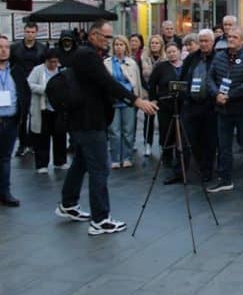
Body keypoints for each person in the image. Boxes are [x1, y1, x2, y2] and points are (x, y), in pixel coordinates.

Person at [55, 20, 157, 234]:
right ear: (93, 35)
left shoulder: (88, 55)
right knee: (100, 168)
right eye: (106, 37)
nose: (109, 41)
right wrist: (136, 100)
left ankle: (68, 204)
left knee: (81, 163)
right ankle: (100, 219)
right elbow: (108, 83)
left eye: (111, 37)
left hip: (84, 121)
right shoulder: (88, 55)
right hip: (89, 121)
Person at [206, 26, 243, 194]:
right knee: (224, 147)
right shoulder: (219, 56)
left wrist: (230, 95)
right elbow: (210, 78)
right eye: (229, 36)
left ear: (242, 41)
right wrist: (217, 94)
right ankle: (225, 179)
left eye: (235, 37)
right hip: (223, 110)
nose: (231, 39)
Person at [178, 28, 217, 183]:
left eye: (206, 41)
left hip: (210, 106)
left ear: (212, 42)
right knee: (188, 139)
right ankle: (181, 171)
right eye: (201, 41)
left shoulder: (218, 58)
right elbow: (183, 78)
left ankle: (207, 171)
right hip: (192, 104)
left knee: (209, 141)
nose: (203, 44)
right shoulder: (191, 58)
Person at [0, 35, 31, 207]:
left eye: (6, 47)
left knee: (5, 158)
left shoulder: (15, 71)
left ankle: (5, 192)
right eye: (0, 47)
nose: (3, 50)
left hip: (11, 120)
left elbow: (23, 92)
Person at [104, 35, 142, 169]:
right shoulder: (107, 62)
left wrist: (138, 99)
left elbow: (137, 83)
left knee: (128, 130)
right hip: (112, 101)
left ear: (126, 47)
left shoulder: (131, 63)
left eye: (121, 44)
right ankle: (115, 158)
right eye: (116, 44)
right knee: (114, 131)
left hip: (128, 101)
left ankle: (127, 157)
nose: (118, 47)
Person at [147, 42, 185, 175]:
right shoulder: (161, 67)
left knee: (181, 131)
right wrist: (153, 99)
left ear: (179, 52)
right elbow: (152, 84)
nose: (172, 54)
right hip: (165, 104)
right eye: (169, 52)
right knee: (166, 131)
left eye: (174, 51)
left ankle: (180, 158)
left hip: (182, 104)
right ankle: (167, 158)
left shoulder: (185, 66)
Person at [10, 22, 46, 157]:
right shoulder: (15, 48)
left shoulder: (42, 48)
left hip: (35, 85)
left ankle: (33, 143)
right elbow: (11, 65)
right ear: (24, 32)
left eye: (32, 32)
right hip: (20, 85)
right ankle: (22, 144)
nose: (30, 34)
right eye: (28, 31)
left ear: (36, 33)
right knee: (22, 115)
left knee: (35, 115)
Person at [28, 49, 66, 173]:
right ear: (46, 61)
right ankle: (42, 164)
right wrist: (45, 89)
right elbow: (30, 84)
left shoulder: (61, 70)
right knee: (42, 137)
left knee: (60, 135)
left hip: (58, 108)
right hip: (43, 108)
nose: (54, 64)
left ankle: (60, 161)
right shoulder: (38, 70)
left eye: (56, 62)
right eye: (51, 62)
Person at [140, 34, 166, 157]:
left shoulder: (165, 59)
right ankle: (148, 144)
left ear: (161, 45)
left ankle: (162, 144)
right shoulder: (143, 58)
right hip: (147, 93)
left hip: (161, 94)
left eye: (157, 43)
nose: (154, 45)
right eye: (152, 43)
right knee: (148, 120)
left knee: (162, 121)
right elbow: (141, 76)